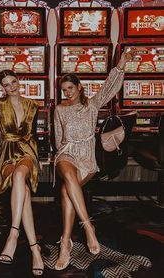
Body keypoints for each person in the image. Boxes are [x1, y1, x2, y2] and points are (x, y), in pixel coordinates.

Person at [53, 49, 136, 271]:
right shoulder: (59, 109)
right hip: (66, 154)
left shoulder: (92, 105)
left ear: (79, 87)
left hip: (87, 158)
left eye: (70, 88)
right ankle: (89, 227)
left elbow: (110, 87)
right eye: (63, 90)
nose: (67, 92)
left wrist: (121, 64)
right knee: (68, 175)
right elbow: (58, 139)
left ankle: (66, 242)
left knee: (65, 191)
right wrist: (60, 155)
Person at [0, 69, 44, 276]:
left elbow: (34, 135)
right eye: (6, 84)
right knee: (21, 188)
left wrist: (37, 159)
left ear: (19, 81)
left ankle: (13, 235)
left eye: (13, 81)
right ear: (2, 87)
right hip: (6, 153)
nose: (11, 86)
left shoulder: (33, 104)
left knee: (20, 176)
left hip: (27, 152)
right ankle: (35, 250)